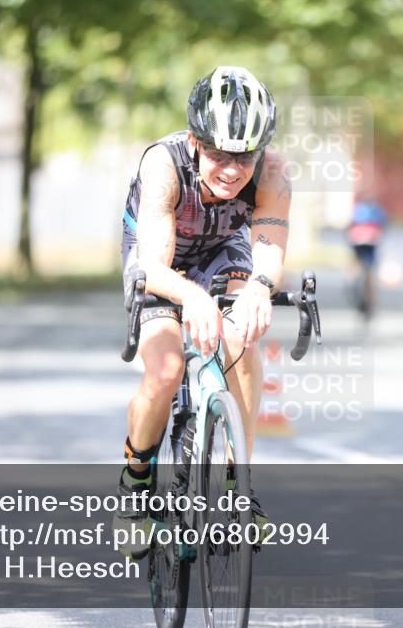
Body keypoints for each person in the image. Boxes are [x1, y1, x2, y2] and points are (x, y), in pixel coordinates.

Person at [116, 66, 290, 558]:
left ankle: (240, 484)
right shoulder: (163, 165)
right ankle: (136, 479)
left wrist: (259, 287)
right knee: (167, 367)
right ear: (195, 140)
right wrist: (192, 296)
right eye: (217, 154)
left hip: (223, 246)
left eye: (244, 156)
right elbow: (154, 265)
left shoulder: (274, 172)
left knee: (240, 335)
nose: (232, 169)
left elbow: (270, 244)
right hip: (158, 253)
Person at [347, 196, 387, 320]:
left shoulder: (357, 211)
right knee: (371, 269)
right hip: (371, 243)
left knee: (357, 265)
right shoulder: (376, 211)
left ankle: (354, 281)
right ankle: (371, 296)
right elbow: (384, 226)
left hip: (358, 242)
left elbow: (349, 228)